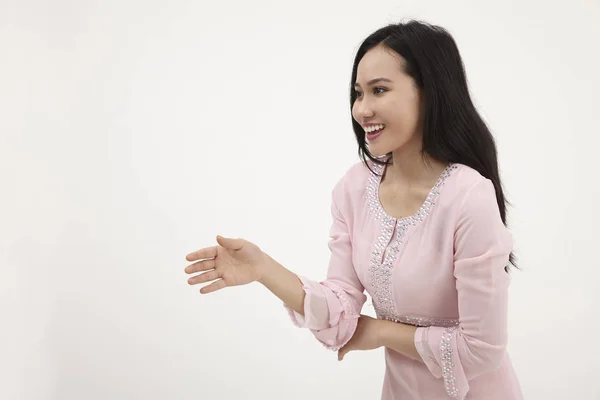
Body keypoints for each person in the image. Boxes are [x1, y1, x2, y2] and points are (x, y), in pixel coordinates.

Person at [184, 20, 523, 400]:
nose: (362, 109)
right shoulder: (354, 188)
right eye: (358, 93)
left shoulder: (468, 196)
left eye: (379, 90)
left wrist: (378, 332)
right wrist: (263, 269)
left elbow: (482, 351)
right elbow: (340, 308)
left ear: (429, 93)